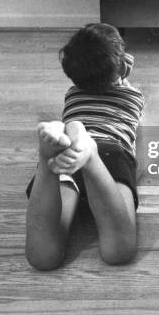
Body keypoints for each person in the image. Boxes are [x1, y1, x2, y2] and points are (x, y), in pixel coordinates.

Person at [25, 23, 144, 271]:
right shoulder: (132, 97)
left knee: (43, 258)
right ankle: (90, 156)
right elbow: (123, 86)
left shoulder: (71, 95)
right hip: (110, 150)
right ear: (122, 66)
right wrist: (123, 74)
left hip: (66, 151)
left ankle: (47, 163)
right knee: (118, 252)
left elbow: (94, 78)